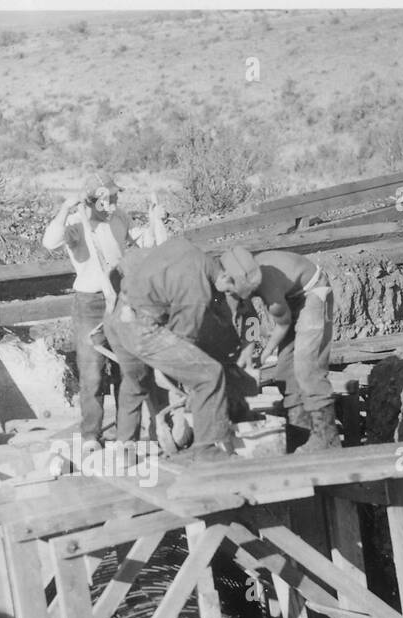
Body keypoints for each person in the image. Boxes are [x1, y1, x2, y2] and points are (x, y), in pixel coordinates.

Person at [42, 171, 168, 453]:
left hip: (121, 299)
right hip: (91, 304)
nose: (114, 202)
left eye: (115, 196)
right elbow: (50, 242)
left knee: (129, 367)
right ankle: (90, 435)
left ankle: (128, 436)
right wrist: (65, 209)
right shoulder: (76, 224)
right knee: (92, 372)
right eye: (110, 198)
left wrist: (154, 219)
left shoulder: (119, 217)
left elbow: (143, 242)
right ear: (95, 200)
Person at [105, 239, 257, 460]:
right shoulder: (200, 290)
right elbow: (183, 338)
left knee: (136, 382)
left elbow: (251, 316)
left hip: (122, 315)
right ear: (225, 277)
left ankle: (125, 448)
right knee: (208, 375)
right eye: (230, 291)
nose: (229, 296)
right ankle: (207, 451)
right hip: (145, 326)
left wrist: (249, 347)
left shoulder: (191, 251)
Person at [235, 248, 340, 450]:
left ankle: (326, 439)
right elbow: (249, 317)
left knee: (307, 366)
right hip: (290, 295)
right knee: (285, 371)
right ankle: (298, 432)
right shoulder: (239, 277)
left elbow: (282, 324)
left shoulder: (267, 286)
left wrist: (264, 354)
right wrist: (248, 349)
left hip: (313, 291)